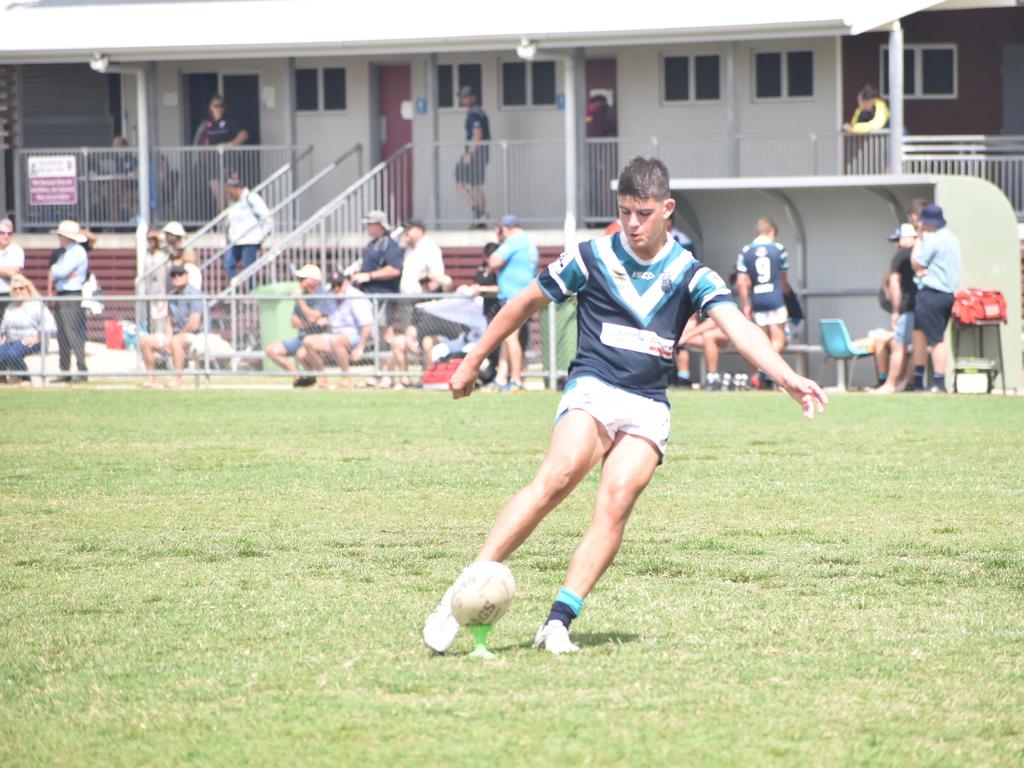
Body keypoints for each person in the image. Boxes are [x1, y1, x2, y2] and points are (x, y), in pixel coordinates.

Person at [423, 157, 827, 655]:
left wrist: (786, 377)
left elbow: (738, 326)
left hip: (648, 403)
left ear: (667, 210)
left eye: (643, 213)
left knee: (614, 504)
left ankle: (558, 622)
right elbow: (523, 303)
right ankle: (458, 594)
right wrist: (471, 360)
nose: (633, 223)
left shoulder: (688, 272)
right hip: (594, 386)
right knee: (558, 476)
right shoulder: (590, 257)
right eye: (625, 211)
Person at [386, 220, 452, 389]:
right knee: (406, 338)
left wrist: (430, 283)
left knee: (424, 339)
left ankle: (428, 375)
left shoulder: (429, 248)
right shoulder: (409, 248)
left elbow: (439, 276)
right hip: (408, 301)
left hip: (424, 301)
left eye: (410, 229)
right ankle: (406, 378)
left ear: (420, 230)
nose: (407, 232)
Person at [909, 204, 961, 393]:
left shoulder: (934, 239)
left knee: (936, 338)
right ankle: (921, 380)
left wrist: (917, 241)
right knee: (920, 334)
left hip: (932, 293)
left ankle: (938, 383)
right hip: (946, 294)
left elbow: (917, 263)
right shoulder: (951, 238)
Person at [735, 217, 789, 389]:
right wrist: (786, 294)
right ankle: (765, 369)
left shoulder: (746, 251)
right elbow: (783, 281)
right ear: (772, 231)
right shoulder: (778, 249)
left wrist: (746, 304)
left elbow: (742, 281)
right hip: (774, 297)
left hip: (757, 298)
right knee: (779, 339)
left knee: (763, 340)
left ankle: (763, 371)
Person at [489, 214, 539, 392]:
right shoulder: (527, 241)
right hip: (521, 294)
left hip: (513, 296)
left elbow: (494, 260)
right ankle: (501, 378)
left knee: (511, 338)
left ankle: (516, 379)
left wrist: (500, 241)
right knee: (506, 336)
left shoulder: (514, 241)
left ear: (504, 229)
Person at [263, 264, 333, 388]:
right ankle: (299, 377)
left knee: (302, 353)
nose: (299, 282)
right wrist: (310, 322)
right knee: (271, 350)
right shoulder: (303, 295)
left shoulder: (322, 295)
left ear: (313, 280)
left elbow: (315, 316)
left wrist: (301, 302)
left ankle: (322, 380)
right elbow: (294, 322)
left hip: (318, 337)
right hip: (301, 337)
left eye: (302, 279)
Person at [303, 271, 374, 389]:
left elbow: (367, 325)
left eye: (339, 285)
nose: (336, 289)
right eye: (333, 286)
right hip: (335, 333)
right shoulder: (330, 295)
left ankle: (347, 379)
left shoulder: (357, 297)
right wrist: (323, 319)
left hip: (354, 334)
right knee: (308, 341)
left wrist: (360, 347)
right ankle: (322, 379)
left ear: (345, 283)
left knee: (337, 340)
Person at [139, 265, 203, 389]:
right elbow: (170, 320)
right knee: (146, 341)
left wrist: (175, 337)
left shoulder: (195, 295)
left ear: (187, 276)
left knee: (176, 341)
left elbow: (194, 324)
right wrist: (168, 338)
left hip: (195, 336)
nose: (176, 278)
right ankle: (150, 378)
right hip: (176, 335)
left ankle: (177, 379)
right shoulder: (172, 295)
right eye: (173, 275)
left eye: (180, 274)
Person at [872, 223, 918, 394]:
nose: (896, 245)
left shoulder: (900, 257)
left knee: (899, 345)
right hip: (923, 306)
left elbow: (892, 283)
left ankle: (890, 384)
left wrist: (896, 311)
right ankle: (906, 381)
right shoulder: (923, 255)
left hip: (907, 308)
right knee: (920, 346)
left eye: (898, 240)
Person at [49, 219, 89, 383]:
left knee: (73, 333)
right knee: (63, 334)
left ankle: (81, 370)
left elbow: (60, 271)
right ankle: (64, 370)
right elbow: (58, 272)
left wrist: (58, 271)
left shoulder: (77, 251)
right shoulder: (65, 253)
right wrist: (58, 272)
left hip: (72, 295)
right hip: (62, 294)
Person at [193, 94, 250, 209]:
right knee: (219, 197)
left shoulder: (229, 122)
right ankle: (222, 225)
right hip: (212, 164)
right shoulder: (207, 125)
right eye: (215, 105)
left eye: (221, 105)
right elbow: (201, 141)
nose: (218, 108)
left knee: (231, 196)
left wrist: (228, 144)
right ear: (210, 107)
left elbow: (244, 135)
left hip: (229, 163)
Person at [0, 275, 56, 386]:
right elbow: (4, 328)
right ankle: (3, 378)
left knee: (13, 353)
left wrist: (37, 337)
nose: (18, 291)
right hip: (13, 341)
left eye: (21, 288)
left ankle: (26, 379)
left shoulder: (36, 305)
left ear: (27, 289)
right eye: (15, 289)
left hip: (34, 341)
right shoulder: (11, 307)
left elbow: (50, 325)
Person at [454, 85, 490, 228]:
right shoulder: (476, 112)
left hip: (476, 153)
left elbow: (477, 134)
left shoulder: (475, 113)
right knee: (475, 185)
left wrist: (469, 153)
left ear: (473, 98)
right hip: (479, 153)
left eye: (466, 97)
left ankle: (478, 212)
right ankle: (480, 215)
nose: (463, 100)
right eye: (462, 97)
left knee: (461, 183)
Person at [224, 174, 271, 282]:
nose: (229, 195)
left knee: (248, 269)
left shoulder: (252, 198)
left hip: (250, 240)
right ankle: (235, 288)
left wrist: (262, 236)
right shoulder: (234, 202)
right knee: (228, 263)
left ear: (237, 189)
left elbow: (267, 218)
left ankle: (251, 293)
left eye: (230, 192)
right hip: (236, 240)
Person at [0, 218, 25, 326]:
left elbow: (13, 272)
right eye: (2, 233)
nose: (6, 236)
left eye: (9, 233)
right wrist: (5, 269)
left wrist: (8, 271)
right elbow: (8, 271)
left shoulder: (16, 250)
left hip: (9, 294)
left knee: (8, 327)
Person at [162, 221, 202, 290]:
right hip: (176, 279)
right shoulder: (170, 248)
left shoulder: (185, 246)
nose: (166, 237)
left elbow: (191, 259)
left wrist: (179, 259)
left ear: (174, 235)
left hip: (189, 278)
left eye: (168, 234)